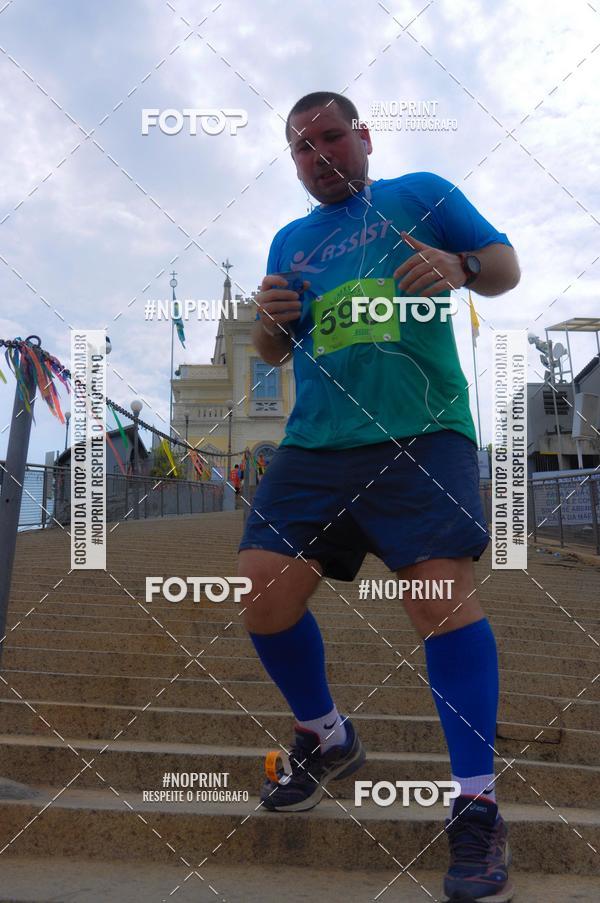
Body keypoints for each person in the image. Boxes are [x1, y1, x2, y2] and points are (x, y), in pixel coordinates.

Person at [237, 91, 520, 902]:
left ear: (363, 137)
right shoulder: (290, 238)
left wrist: (462, 267)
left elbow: (505, 266)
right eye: (300, 146)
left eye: (331, 136)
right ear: (290, 159)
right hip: (317, 442)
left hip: (423, 431)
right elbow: (271, 345)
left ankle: (475, 806)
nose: (318, 153)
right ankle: (326, 735)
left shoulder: (421, 193)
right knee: (262, 592)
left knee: (438, 599)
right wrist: (267, 319)